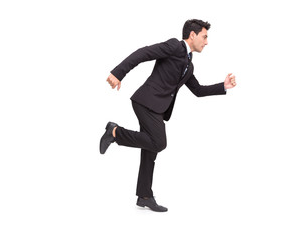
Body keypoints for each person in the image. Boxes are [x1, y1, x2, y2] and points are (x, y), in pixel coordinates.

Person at [100, 19, 237, 212]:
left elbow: (197, 90)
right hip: (145, 102)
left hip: (156, 108)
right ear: (192, 35)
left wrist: (223, 86)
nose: (206, 42)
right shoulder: (174, 46)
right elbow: (143, 53)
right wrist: (118, 73)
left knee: (150, 150)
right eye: (204, 37)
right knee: (158, 142)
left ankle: (144, 196)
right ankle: (114, 132)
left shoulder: (189, 65)